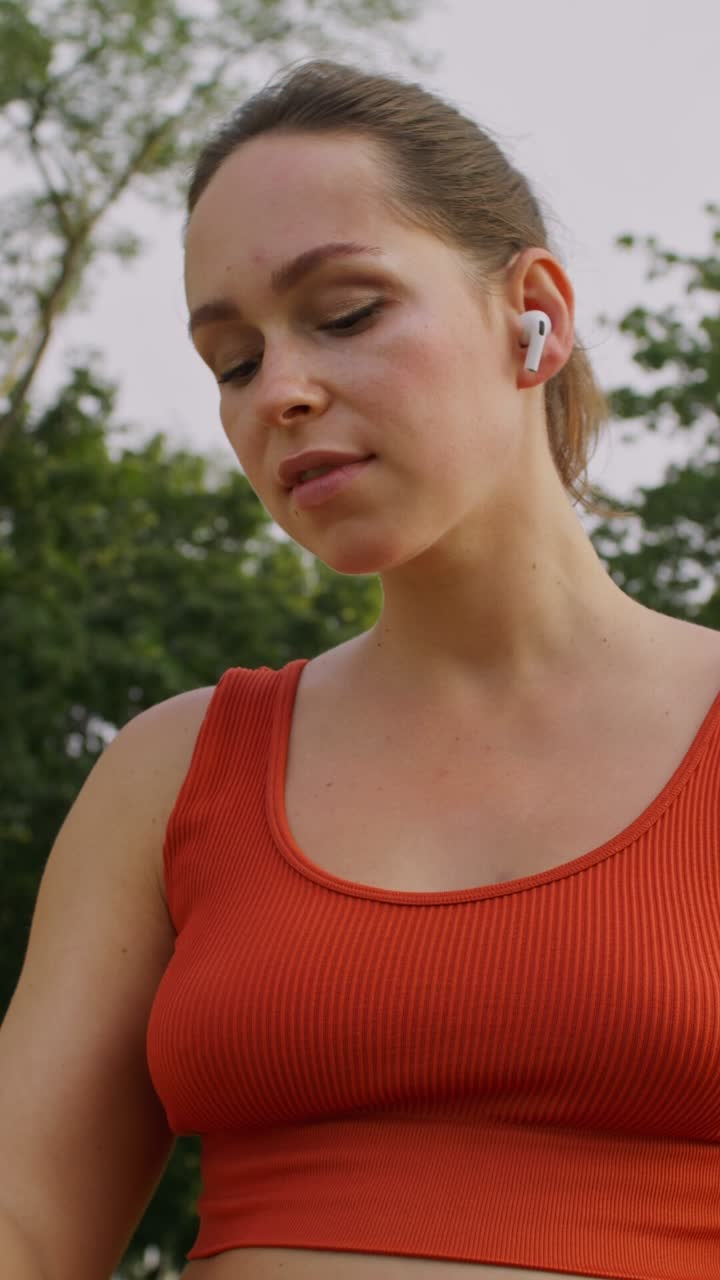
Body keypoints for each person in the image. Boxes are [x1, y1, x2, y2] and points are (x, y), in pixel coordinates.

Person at [1, 58, 719, 1280]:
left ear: (533, 313)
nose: (280, 391)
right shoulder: (171, 773)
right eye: (233, 361)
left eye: (344, 313)